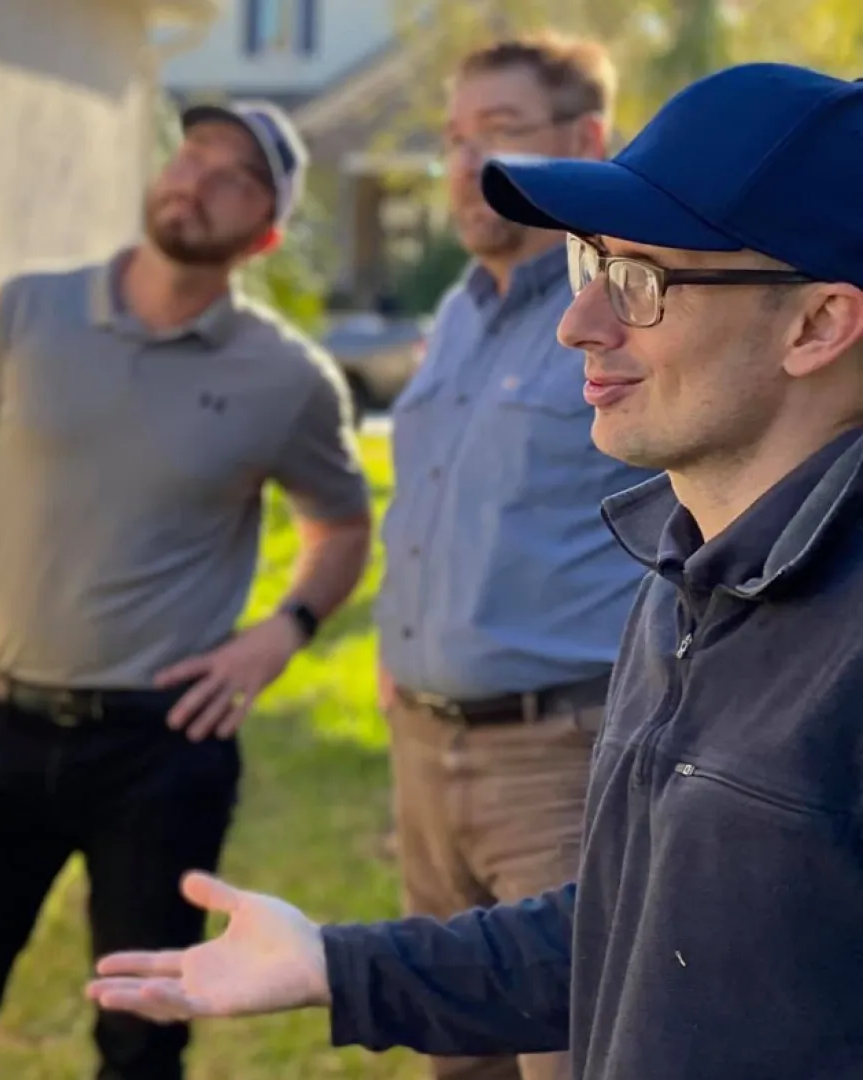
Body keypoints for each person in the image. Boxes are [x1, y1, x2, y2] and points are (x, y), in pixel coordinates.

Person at [87, 61, 863, 1080]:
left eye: (643, 282)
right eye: (593, 266)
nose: (580, 324)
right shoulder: (681, 581)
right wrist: (335, 963)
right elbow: (637, 929)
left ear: (818, 325)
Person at [0, 99, 376, 1080]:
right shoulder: (28, 313)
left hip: (161, 753)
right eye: (193, 153)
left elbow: (341, 527)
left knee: (142, 1040)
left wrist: (283, 630)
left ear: (266, 232)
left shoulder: (287, 378)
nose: (197, 177)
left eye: (234, 175)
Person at [369, 34, 656, 1080]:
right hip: (423, 754)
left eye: (497, 133)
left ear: (585, 142)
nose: (462, 164)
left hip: (560, 757)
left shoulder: (633, 313)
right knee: (459, 1052)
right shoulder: (456, 314)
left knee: (568, 1057)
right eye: (452, 138)